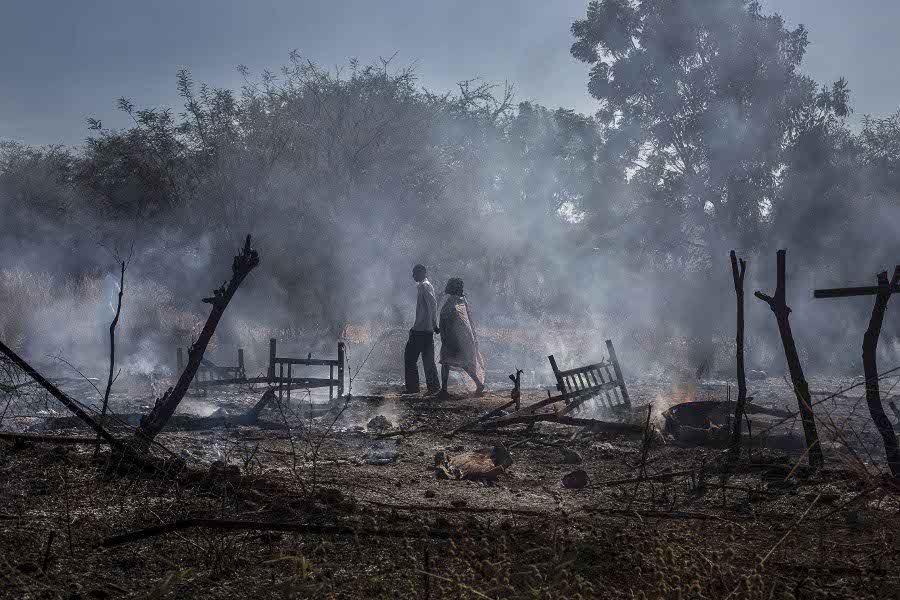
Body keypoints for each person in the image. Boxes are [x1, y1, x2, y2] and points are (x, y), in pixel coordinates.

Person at [438, 277, 485, 399]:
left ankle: (444, 390)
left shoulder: (453, 302)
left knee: (446, 361)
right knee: (460, 363)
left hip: (453, 337)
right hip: (461, 337)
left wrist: (444, 335)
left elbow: (445, 320)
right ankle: (478, 384)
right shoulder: (462, 300)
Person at [404, 264, 440, 394]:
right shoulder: (425, 286)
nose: (413, 276)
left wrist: (433, 324)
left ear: (422, 272)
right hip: (426, 330)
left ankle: (413, 389)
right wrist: (433, 325)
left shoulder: (424, 286)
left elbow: (432, 306)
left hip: (420, 330)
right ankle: (434, 388)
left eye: (415, 273)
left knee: (410, 358)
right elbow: (432, 306)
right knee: (428, 360)